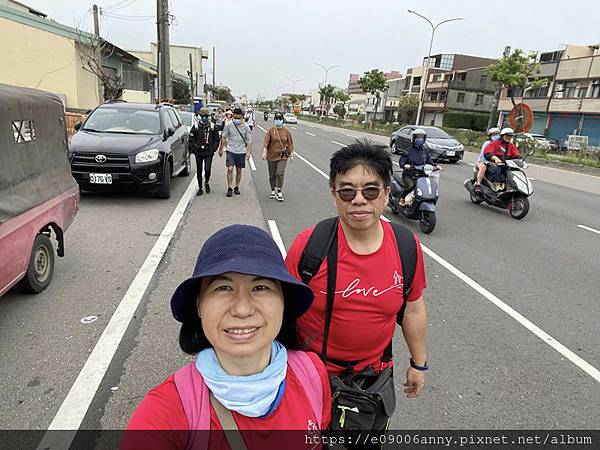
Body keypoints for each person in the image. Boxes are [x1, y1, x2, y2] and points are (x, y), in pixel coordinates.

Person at [125, 225, 331, 449]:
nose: (242, 309)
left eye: (260, 287)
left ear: (283, 301)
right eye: (223, 288)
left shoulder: (311, 372)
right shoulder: (165, 412)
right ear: (199, 305)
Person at [285, 141, 429, 398]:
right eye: (347, 192)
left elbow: (413, 307)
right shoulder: (310, 246)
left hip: (374, 378)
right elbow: (280, 308)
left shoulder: (406, 246)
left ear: (386, 193)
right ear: (334, 194)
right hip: (311, 373)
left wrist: (418, 364)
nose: (359, 200)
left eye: (371, 191)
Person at [398, 128, 439, 206]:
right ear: (413, 138)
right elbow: (401, 162)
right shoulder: (408, 150)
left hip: (422, 174)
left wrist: (436, 166)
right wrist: (405, 165)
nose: (420, 139)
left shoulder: (425, 150)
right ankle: (402, 198)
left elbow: (429, 162)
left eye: (422, 138)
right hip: (409, 174)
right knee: (411, 185)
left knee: (427, 186)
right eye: (418, 138)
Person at [219, 108, 253, 197]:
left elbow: (249, 140)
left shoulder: (246, 127)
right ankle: (229, 187)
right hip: (231, 150)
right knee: (230, 168)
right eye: (235, 117)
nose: (237, 120)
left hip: (241, 151)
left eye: (239, 118)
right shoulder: (229, 125)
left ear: (242, 117)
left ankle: (236, 186)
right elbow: (223, 137)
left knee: (239, 170)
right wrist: (221, 148)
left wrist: (249, 152)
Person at [262, 112, 294, 202]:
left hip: (282, 156)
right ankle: (273, 189)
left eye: (280, 119)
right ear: (274, 120)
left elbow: (290, 143)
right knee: (272, 174)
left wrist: (291, 154)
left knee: (279, 173)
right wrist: (264, 151)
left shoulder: (286, 131)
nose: (278, 121)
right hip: (271, 155)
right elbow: (266, 142)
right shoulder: (271, 130)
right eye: (276, 119)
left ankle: (279, 190)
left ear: (283, 120)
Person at [188, 108, 220, 196]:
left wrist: (213, 148)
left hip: (208, 152)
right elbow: (191, 139)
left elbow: (217, 139)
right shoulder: (195, 126)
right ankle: (200, 188)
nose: (204, 118)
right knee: (199, 170)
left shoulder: (212, 127)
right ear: (199, 116)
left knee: (207, 169)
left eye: (206, 116)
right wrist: (195, 147)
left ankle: (206, 182)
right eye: (203, 116)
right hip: (198, 152)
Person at [474, 127, 500, 193]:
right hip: (482, 161)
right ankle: (478, 185)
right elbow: (483, 155)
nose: (496, 135)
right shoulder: (487, 143)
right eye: (494, 134)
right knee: (483, 168)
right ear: (490, 135)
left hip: (495, 162)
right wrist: (488, 162)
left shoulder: (500, 144)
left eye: (497, 134)